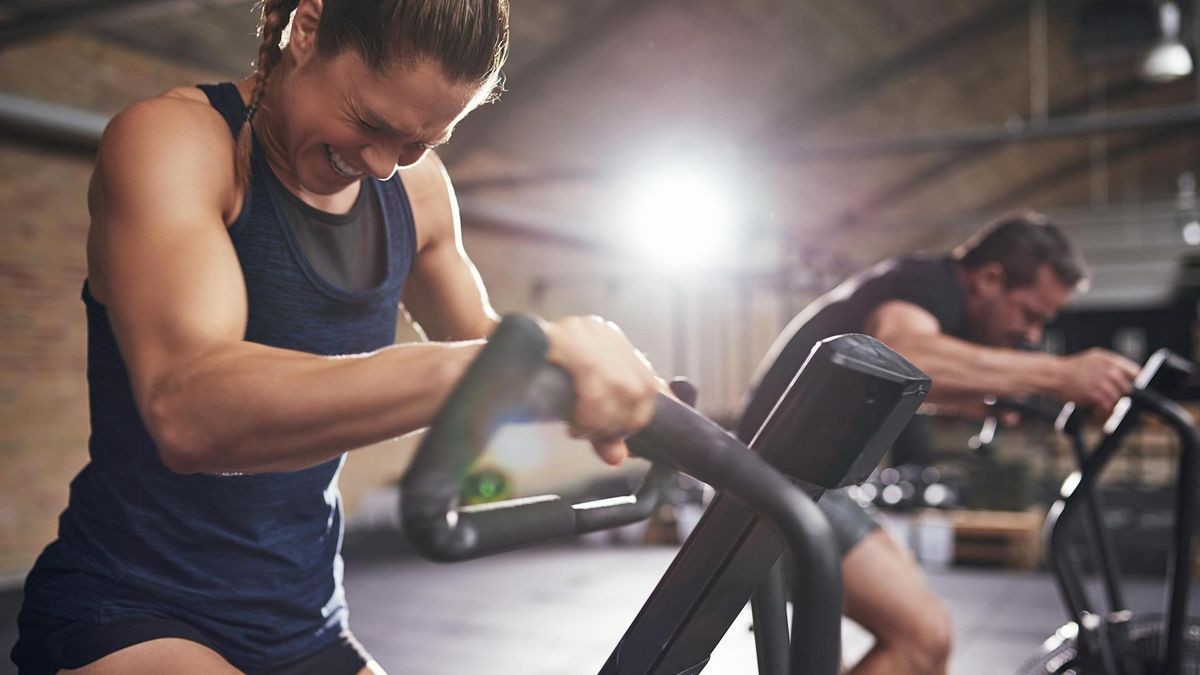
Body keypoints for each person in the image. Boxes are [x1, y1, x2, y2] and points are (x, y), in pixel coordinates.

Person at [10, 1, 664, 673]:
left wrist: (606, 378)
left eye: (418, 143)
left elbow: (482, 336)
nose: (383, 164)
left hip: (303, 617)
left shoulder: (417, 193)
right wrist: (482, 368)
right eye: (370, 123)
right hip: (132, 607)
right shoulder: (175, 142)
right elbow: (189, 407)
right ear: (307, 28)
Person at [736, 212, 1140, 675]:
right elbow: (901, 352)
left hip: (808, 484)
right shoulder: (925, 282)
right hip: (776, 483)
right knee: (923, 640)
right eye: (1030, 315)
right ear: (989, 279)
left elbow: (901, 379)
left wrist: (986, 397)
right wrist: (1061, 374)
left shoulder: (941, 302)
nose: (1032, 334)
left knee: (900, 645)